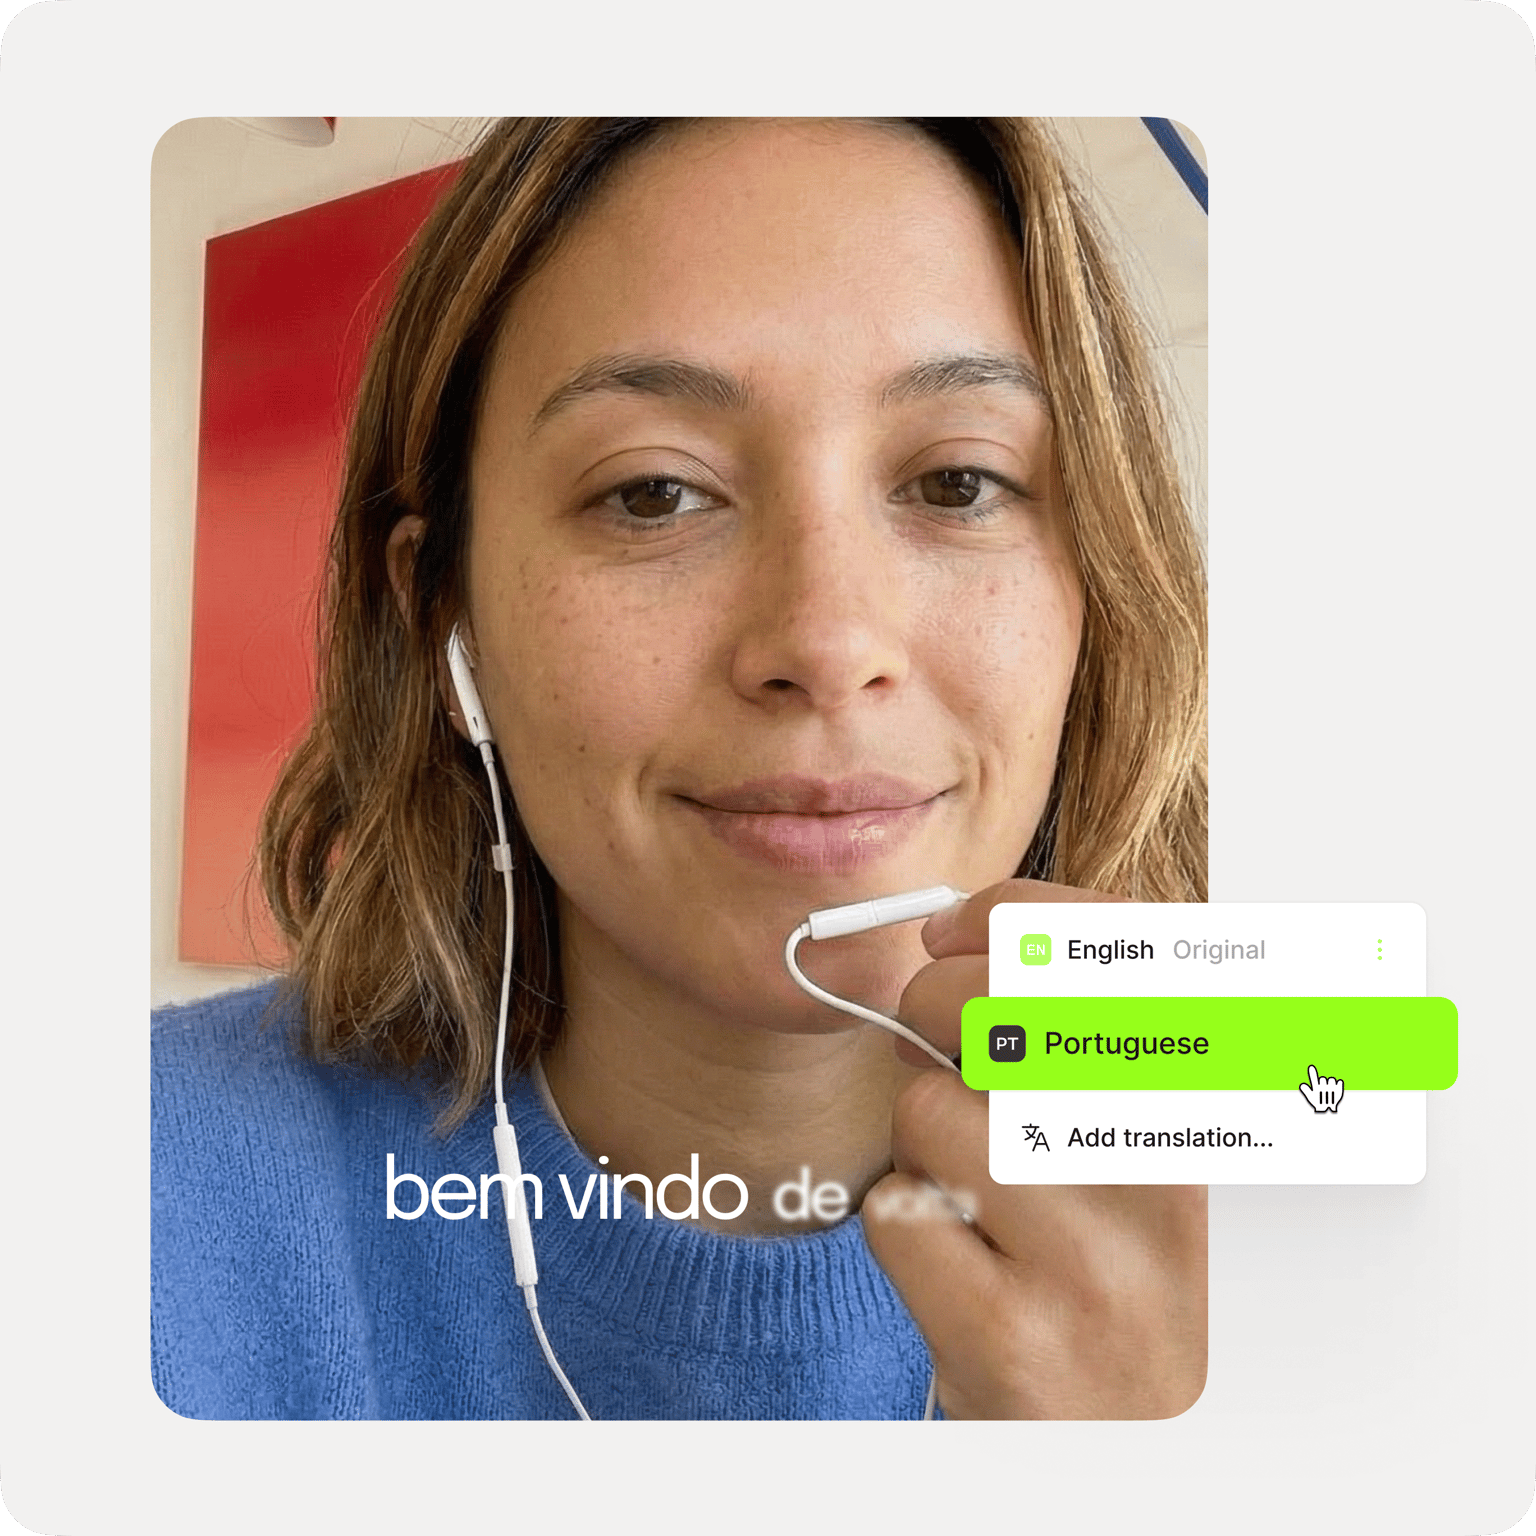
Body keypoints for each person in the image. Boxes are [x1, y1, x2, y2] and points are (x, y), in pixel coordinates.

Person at [151, 116, 1208, 1420]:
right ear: (446, 618)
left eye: (957, 482)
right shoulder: (111, 1187)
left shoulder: (1332, 1141)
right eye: (654, 492)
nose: (828, 645)